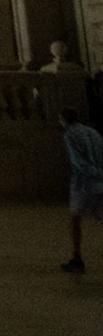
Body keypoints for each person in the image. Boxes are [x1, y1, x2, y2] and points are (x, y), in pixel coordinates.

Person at [62, 106, 103, 273]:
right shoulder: (94, 133)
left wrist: (95, 173)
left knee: (75, 220)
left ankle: (77, 258)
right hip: (99, 183)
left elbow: (78, 162)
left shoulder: (70, 134)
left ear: (64, 120)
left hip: (82, 184)